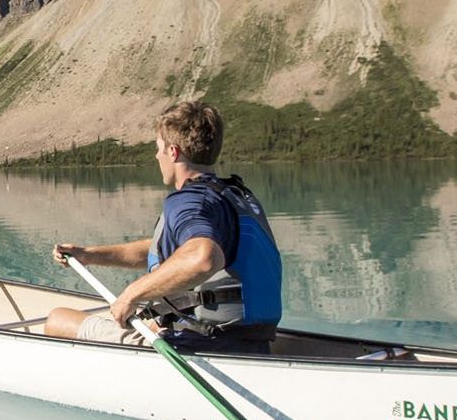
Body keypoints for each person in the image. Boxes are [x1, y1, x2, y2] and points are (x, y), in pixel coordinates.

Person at [42, 101, 283, 350]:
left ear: (173, 152)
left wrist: (131, 294)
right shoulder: (231, 196)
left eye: (158, 148)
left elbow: (202, 258)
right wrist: (88, 255)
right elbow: (167, 252)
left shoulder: (189, 201)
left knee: (58, 319)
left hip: (201, 343)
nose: (157, 156)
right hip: (252, 341)